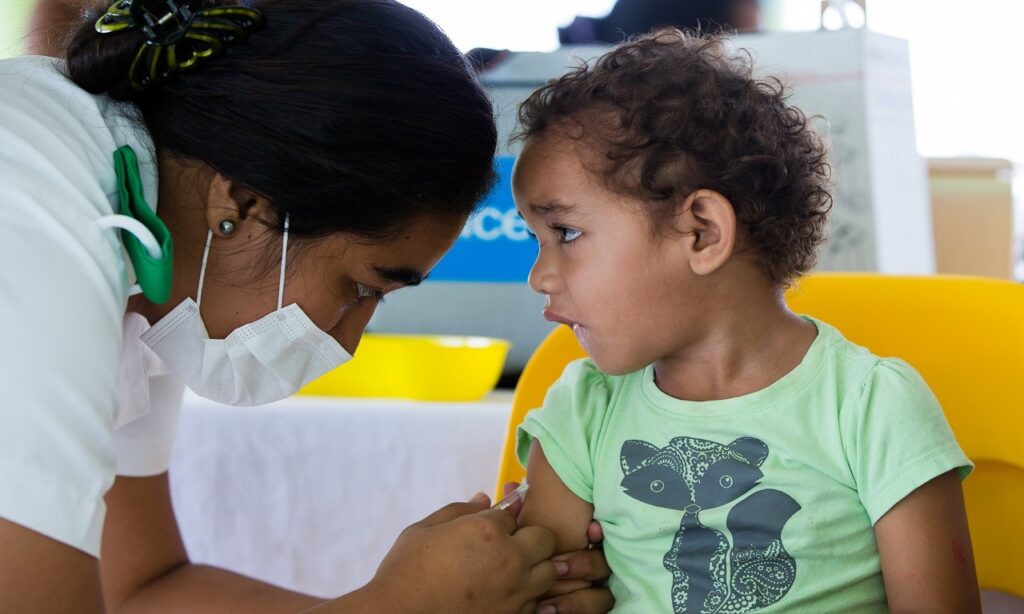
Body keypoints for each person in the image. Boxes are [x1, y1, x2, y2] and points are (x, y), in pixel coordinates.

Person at [0, 0, 614, 611]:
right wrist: (404, 604)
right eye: (363, 287)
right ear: (239, 208)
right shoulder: (35, 220)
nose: (347, 342)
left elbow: (139, 588)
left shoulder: (160, 253)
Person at [510, 29, 983, 612]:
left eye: (567, 233)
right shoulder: (582, 411)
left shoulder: (872, 406)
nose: (539, 276)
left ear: (702, 231)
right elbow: (545, 596)